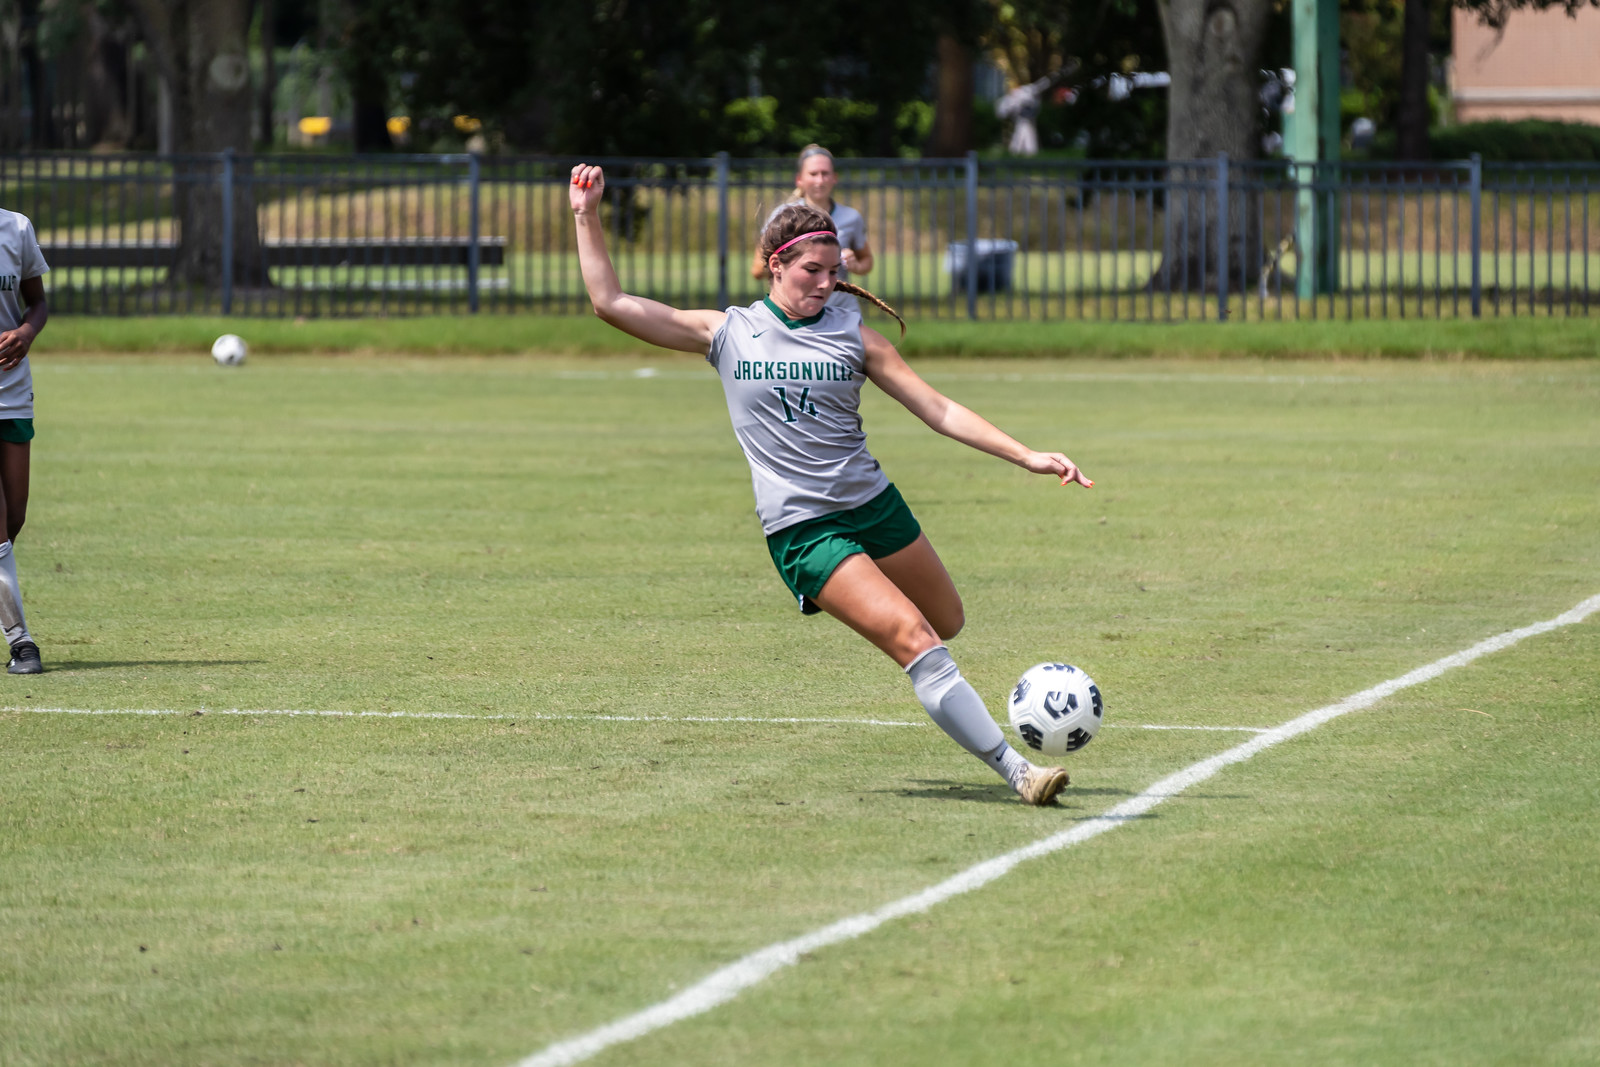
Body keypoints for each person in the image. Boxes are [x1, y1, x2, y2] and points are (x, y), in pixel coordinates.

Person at [572, 163, 1093, 806]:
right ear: (773, 265)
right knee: (917, 641)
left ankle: (938, 677)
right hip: (804, 527)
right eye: (811, 272)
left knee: (946, 620)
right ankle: (1018, 771)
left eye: (834, 272)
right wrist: (586, 215)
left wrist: (1028, 455)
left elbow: (940, 410)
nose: (826, 284)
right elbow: (611, 303)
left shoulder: (856, 338)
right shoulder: (728, 332)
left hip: (874, 506)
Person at [0, 207, 48, 674]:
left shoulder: (16, 228)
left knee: (14, 517)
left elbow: (38, 300)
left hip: (12, 394)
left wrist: (27, 332)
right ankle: (22, 643)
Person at [751, 145, 873, 315]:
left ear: (834, 178)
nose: (820, 180)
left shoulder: (851, 217)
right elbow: (758, 269)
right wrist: (799, 264)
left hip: (841, 308)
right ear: (799, 179)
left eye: (825, 173)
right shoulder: (784, 216)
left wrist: (854, 265)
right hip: (796, 310)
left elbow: (866, 261)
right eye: (813, 174)